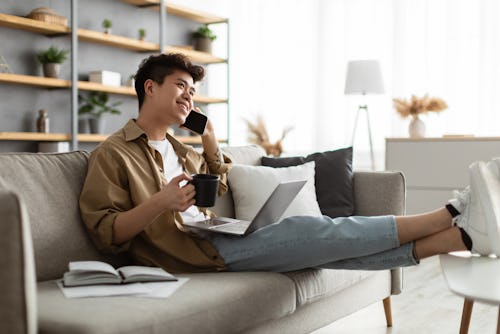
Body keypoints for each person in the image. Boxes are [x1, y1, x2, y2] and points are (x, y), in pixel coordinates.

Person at [79, 53, 500, 274]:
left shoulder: (181, 147)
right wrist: (161, 202)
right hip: (187, 255)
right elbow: (106, 234)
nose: (189, 98)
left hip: (214, 237)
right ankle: (450, 213)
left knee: (324, 252)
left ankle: (463, 239)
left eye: (192, 91)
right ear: (150, 88)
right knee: (308, 230)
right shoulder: (112, 154)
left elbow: (218, 190)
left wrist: (209, 142)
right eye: (180, 87)